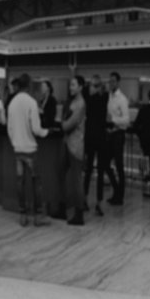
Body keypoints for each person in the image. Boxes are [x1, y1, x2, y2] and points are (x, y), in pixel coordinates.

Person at [7, 72, 51, 227]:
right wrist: (47, 132)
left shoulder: (12, 103)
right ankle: (38, 216)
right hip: (31, 149)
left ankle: (22, 215)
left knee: (20, 183)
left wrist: (15, 143)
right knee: (36, 183)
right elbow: (36, 129)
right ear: (29, 85)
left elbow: (10, 128)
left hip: (18, 149)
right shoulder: (32, 102)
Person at [83, 75, 118, 216]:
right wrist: (98, 86)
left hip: (91, 137)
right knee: (98, 170)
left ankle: (86, 199)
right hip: (99, 138)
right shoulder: (103, 98)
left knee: (89, 170)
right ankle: (98, 201)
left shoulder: (90, 99)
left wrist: (93, 86)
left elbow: (86, 92)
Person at [61, 76, 88, 225]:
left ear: (80, 87)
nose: (70, 87)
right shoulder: (72, 102)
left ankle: (79, 214)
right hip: (68, 143)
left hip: (76, 146)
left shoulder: (80, 104)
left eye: (73, 85)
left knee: (77, 180)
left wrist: (63, 123)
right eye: (70, 85)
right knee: (63, 174)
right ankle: (63, 207)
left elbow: (66, 125)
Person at [105, 71, 130, 205]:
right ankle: (116, 191)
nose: (111, 83)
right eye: (110, 81)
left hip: (118, 135)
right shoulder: (108, 97)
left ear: (118, 82)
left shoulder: (122, 99)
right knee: (105, 164)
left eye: (113, 81)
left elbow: (126, 120)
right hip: (109, 134)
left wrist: (113, 120)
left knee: (119, 166)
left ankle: (120, 196)